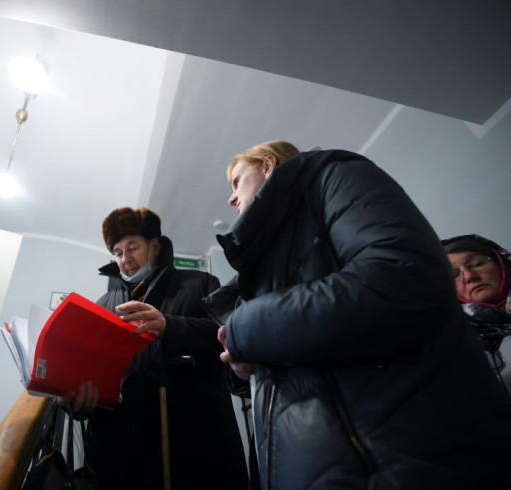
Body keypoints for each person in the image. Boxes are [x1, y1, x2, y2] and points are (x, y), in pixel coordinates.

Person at [205, 140, 511, 489]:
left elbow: (402, 278)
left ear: (269, 164)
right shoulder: (268, 258)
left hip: (404, 464)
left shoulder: (330, 174)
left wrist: (245, 329)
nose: (231, 199)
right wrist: (248, 367)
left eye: (237, 181)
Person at [59, 207, 248, 490]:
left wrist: (168, 325)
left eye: (133, 248)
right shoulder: (103, 305)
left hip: (197, 451)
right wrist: (81, 402)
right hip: (124, 459)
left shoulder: (200, 284)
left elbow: (227, 337)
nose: (125, 260)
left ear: (155, 246)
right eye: (118, 253)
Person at [442, 234, 511, 396]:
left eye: (477, 264)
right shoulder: (451, 341)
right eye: (453, 275)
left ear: (501, 264)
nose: (469, 276)